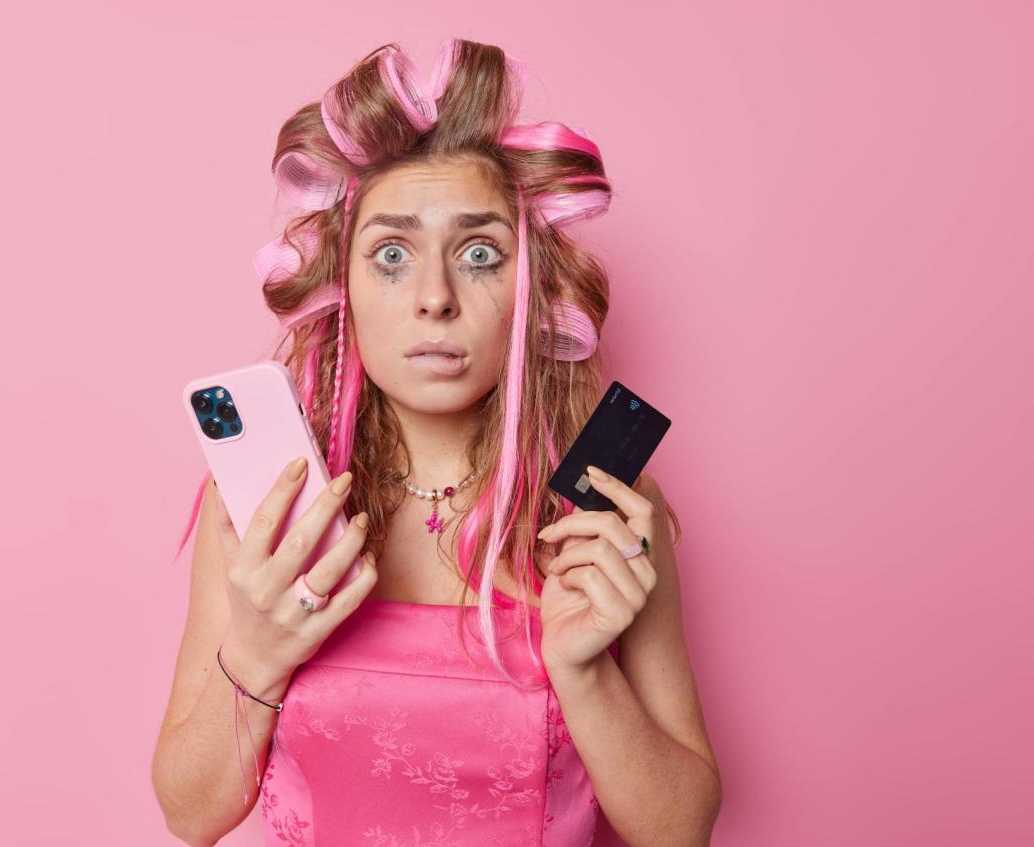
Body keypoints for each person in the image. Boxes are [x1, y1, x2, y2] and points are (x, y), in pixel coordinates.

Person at [152, 38, 722, 846]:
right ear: (341, 285)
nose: (434, 298)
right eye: (391, 255)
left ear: (527, 287)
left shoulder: (604, 507)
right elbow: (189, 811)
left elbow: (682, 829)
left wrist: (584, 672)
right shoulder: (264, 511)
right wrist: (254, 652)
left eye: (479, 253)